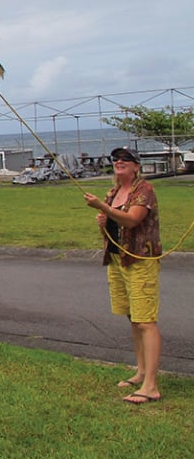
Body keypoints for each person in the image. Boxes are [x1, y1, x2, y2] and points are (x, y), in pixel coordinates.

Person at [84, 146, 163, 405]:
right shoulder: (113, 192)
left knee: (145, 321)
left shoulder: (144, 190)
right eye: (116, 159)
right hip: (118, 260)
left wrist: (102, 209)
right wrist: (103, 223)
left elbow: (131, 220)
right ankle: (141, 372)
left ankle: (151, 385)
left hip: (140, 260)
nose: (119, 162)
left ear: (136, 166)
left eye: (125, 160)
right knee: (133, 317)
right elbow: (113, 229)